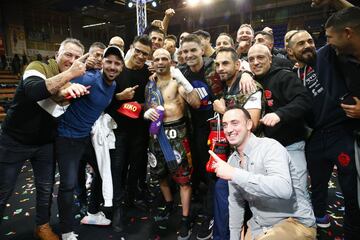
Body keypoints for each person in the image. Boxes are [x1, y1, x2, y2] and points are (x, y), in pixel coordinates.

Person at [0, 38, 87, 240]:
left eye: (76, 57)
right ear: (57, 54)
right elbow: (34, 91)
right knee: (3, 190)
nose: (72, 60)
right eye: (68, 54)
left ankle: (42, 226)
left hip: (44, 143)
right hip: (14, 140)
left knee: (45, 189)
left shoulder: (74, 82)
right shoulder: (37, 66)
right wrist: (71, 74)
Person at [210, 106, 316, 240]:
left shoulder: (270, 147)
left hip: (294, 222)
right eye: (225, 125)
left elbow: (284, 189)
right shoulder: (233, 161)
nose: (229, 130)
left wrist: (235, 174)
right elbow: (236, 204)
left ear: (249, 124)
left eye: (234, 123)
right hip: (259, 226)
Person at [56, 45, 124, 240]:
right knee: (68, 185)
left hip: (86, 137)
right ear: (102, 62)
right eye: (109, 61)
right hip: (67, 137)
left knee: (105, 172)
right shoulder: (89, 77)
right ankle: (66, 231)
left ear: (121, 67)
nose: (112, 66)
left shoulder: (112, 86)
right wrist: (71, 82)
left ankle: (93, 214)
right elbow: (60, 84)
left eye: (117, 63)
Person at [144, 48, 200, 240]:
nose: (160, 62)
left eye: (164, 59)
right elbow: (148, 106)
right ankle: (169, 204)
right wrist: (146, 113)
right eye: (157, 59)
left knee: (183, 178)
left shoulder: (178, 82)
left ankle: (185, 217)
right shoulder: (149, 85)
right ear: (152, 63)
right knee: (159, 174)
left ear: (171, 62)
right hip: (156, 135)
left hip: (177, 134)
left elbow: (196, 103)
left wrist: (184, 80)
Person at [212, 47, 263, 240]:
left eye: (225, 63)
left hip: (253, 158)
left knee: (228, 196)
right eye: (217, 64)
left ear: (237, 64)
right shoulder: (226, 86)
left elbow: (254, 123)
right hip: (235, 155)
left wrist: (224, 112)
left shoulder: (249, 85)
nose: (220, 68)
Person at [247, 44, 312, 190]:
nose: (256, 62)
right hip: (265, 149)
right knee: (271, 191)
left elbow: (304, 100)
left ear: (270, 59)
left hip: (290, 145)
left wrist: (279, 114)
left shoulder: (284, 76)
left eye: (260, 57)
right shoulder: (249, 81)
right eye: (251, 59)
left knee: (297, 190)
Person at [105, 35, 152, 233]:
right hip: (119, 130)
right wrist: (120, 98)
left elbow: (151, 100)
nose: (141, 56)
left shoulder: (148, 73)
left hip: (140, 130)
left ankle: (131, 200)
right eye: (138, 50)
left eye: (145, 53)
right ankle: (117, 209)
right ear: (131, 48)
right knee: (118, 170)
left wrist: (139, 105)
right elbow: (104, 101)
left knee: (136, 169)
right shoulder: (117, 69)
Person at [179, 34, 223, 240]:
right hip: (192, 127)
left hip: (216, 128)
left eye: (193, 50)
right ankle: (200, 205)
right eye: (185, 51)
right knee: (195, 167)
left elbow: (237, 74)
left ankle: (211, 214)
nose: (189, 55)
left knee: (211, 171)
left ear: (202, 50)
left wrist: (247, 75)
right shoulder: (181, 73)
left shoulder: (215, 68)